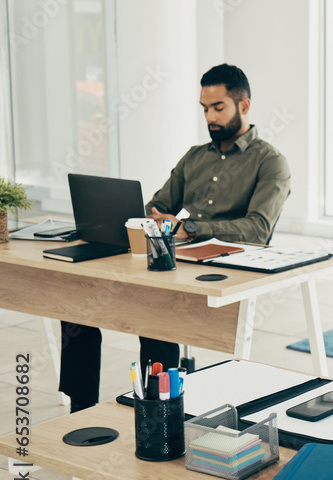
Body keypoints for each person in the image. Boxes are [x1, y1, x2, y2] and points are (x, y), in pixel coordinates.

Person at [60, 64, 291, 412]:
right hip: (176, 256)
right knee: (79, 297)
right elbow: (159, 205)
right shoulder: (195, 157)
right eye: (204, 109)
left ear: (244, 106)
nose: (210, 117)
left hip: (228, 263)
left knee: (157, 308)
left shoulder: (270, 162)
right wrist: (145, 217)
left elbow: (258, 229)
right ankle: (81, 407)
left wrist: (190, 227)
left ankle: (159, 407)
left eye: (218, 108)